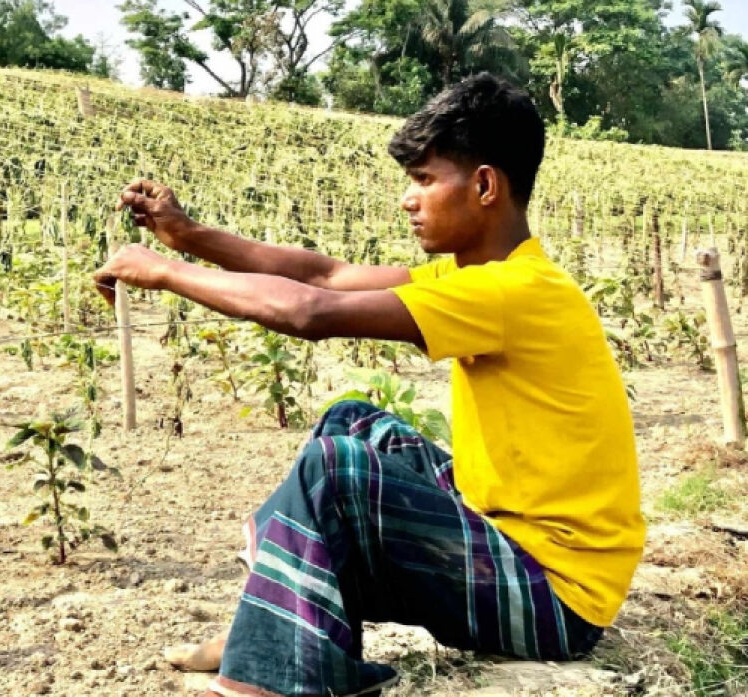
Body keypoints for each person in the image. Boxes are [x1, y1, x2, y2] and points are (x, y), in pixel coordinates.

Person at [93, 73, 645, 697]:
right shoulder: (491, 277)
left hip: (554, 600)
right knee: (352, 420)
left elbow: (310, 312)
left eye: (424, 179)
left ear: (485, 185)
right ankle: (272, 626)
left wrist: (164, 270)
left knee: (337, 469)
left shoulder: (513, 291)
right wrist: (189, 236)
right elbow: (326, 276)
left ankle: (275, 674)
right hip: (514, 547)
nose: (409, 200)